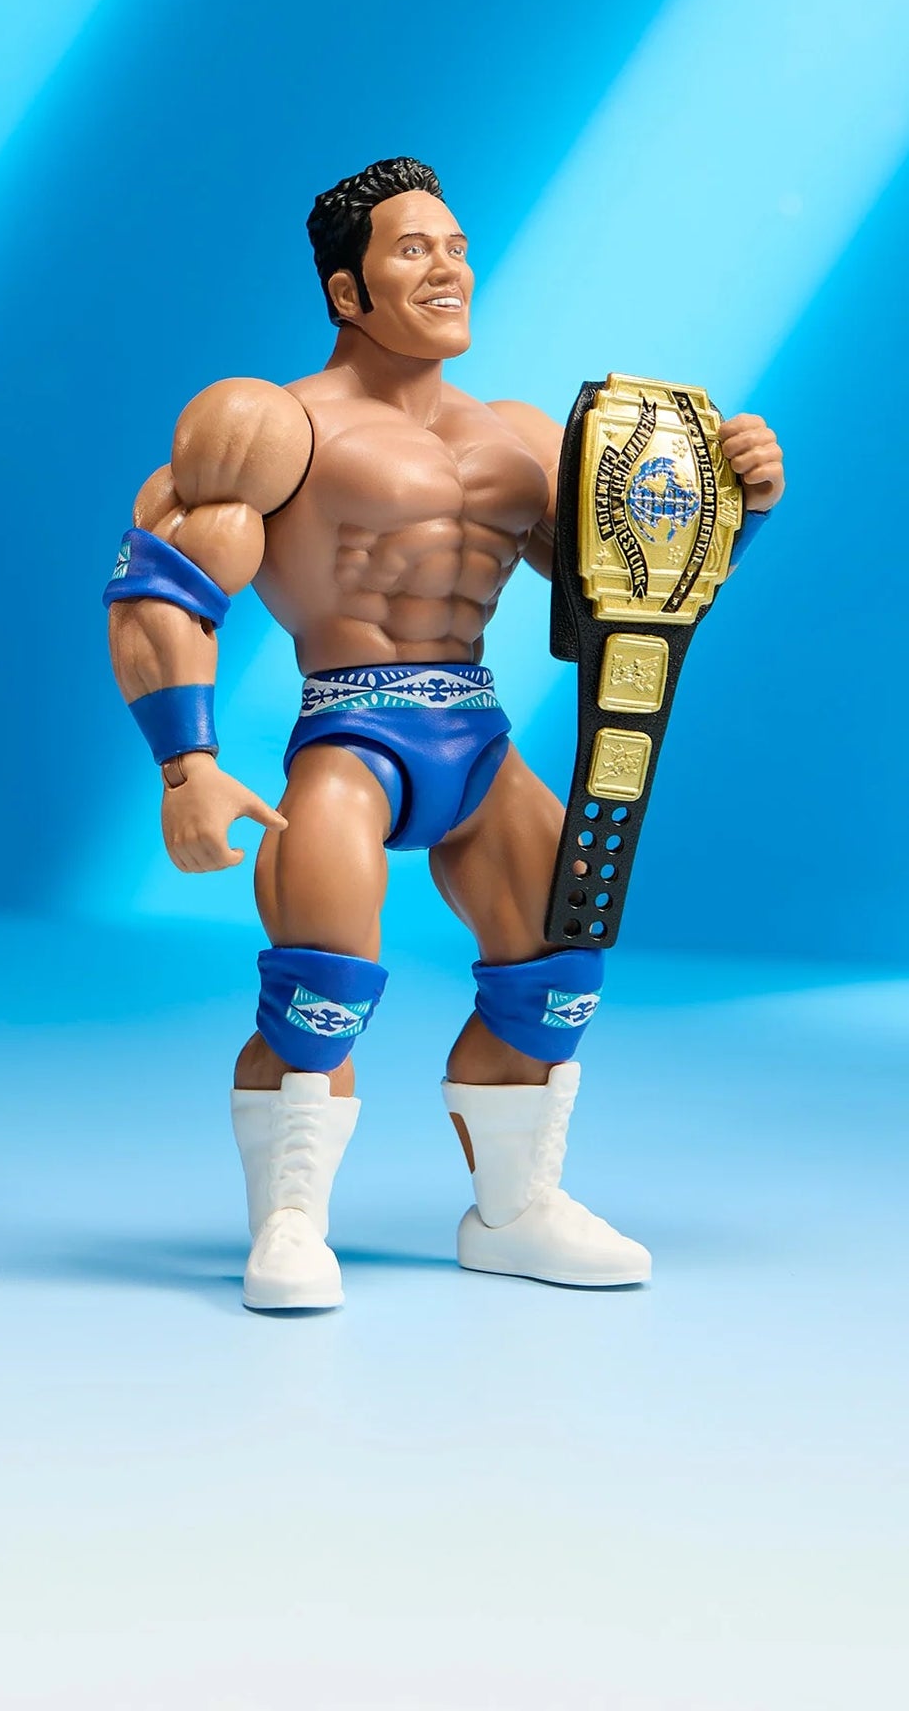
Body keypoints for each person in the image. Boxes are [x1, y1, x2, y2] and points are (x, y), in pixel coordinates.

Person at [104, 157, 783, 1311]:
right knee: (320, 983)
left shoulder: (518, 438)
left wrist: (731, 503)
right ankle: (288, 1219)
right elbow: (162, 588)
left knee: (557, 969)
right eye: (412, 249)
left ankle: (512, 1211)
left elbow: (623, 597)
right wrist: (187, 764)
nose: (446, 268)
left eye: (454, 247)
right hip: (349, 732)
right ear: (345, 290)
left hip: (472, 733)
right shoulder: (272, 423)